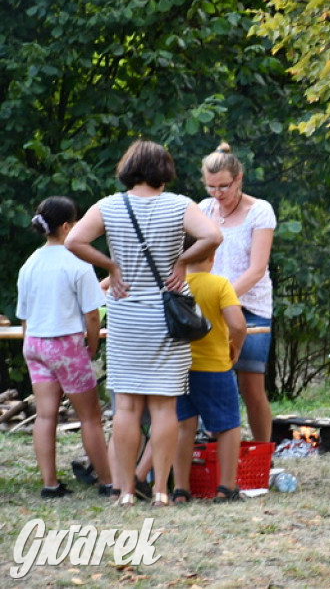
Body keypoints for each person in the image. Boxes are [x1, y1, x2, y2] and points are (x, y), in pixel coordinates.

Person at [66, 140, 221, 507]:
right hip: (166, 316)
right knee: (164, 408)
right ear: (164, 170)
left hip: (125, 313)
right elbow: (213, 236)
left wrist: (111, 266)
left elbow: (74, 240)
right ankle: (162, 490)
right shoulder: (180, 205)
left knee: (127, 407)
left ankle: (123, 492)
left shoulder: (109, 205)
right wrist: (183, 261)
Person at [16, 196, 113, 498]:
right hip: (66, 346)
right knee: (90, 416)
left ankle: (50, 484)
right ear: (68, 226)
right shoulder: (77, 263)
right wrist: (92, 348)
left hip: (34, 344)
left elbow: (24, 316)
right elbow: (92, 315)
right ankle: (108, 482)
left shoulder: (30, 263)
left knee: (45, 415)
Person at [199, 142, 276, 443]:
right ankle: (215, 449)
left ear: (239, 178)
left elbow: (257, 269)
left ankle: (262, 451)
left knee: (251, 385)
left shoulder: (260, 211)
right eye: (211, 187)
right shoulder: (204, 209)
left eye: (224, 187)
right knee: (211, 380)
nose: (218, 194)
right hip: (211, 306)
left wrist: (223, 298)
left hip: (251, 307)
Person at [171, 234, 248, 503]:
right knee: (228, 425)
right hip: (215, 366)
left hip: (180, 367)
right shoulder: (220, 285)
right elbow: (238, 325)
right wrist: (235, 347)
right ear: (212, 256)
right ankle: (225, 488)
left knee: (183, 427)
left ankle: (181, 489)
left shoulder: (173, 285)